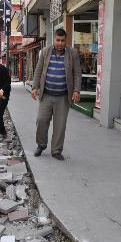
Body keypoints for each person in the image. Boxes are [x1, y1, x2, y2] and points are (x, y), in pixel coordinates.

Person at [31, 28, 82, 161]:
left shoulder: (72, 53)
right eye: (57, 40)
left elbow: (77, 73)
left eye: (62, 40)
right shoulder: (45, 52)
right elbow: (38, 70)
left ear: (66, 41)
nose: (60, 43)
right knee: (41, 120)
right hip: (46, 95)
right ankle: (41, 145)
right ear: (54, 39)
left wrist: (76, 90)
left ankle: (56, 150)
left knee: (60, 125)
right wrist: (35, 87)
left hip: (63, 97)